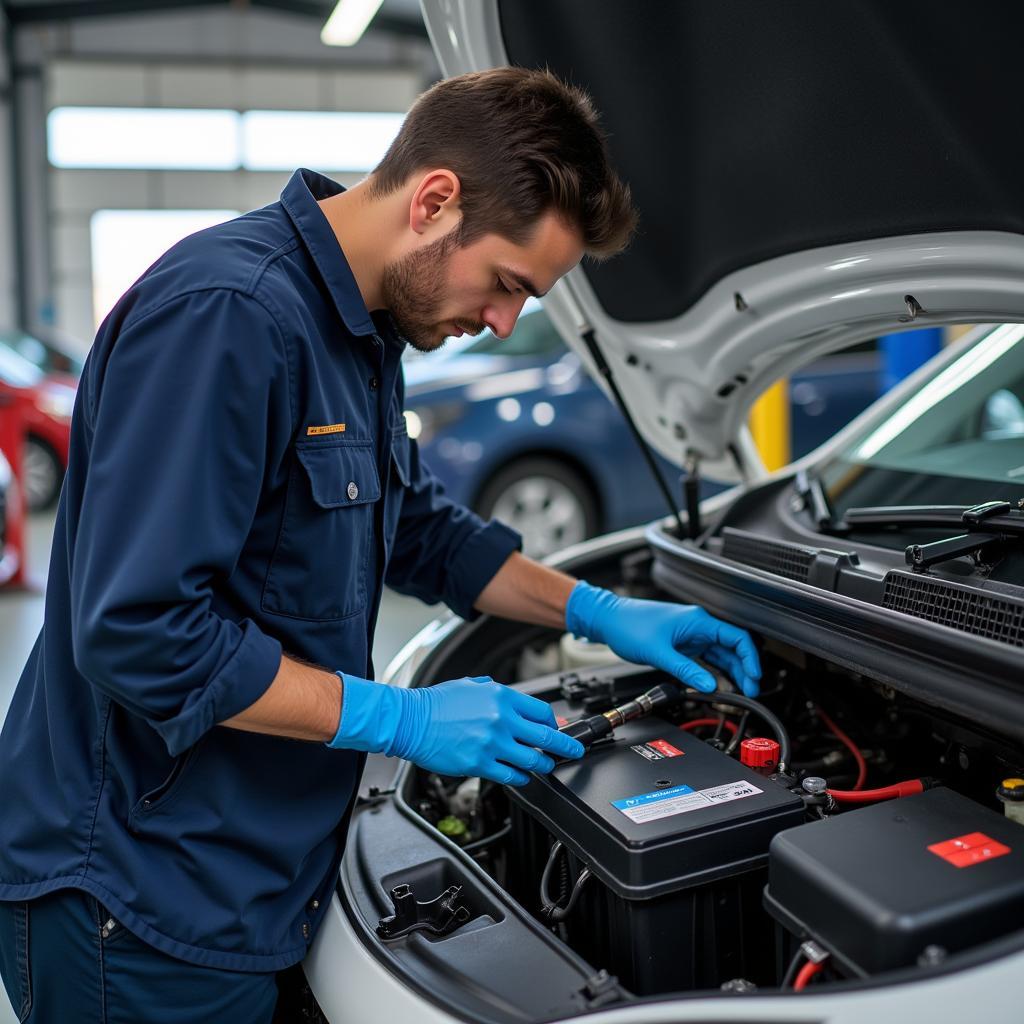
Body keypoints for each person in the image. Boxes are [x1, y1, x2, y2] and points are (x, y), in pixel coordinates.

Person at [0, 67, 760, 1022]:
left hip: (255, 878)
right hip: (137, 899)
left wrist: (601, 609)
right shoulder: (229, 316)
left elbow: (422, 530)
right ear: (434, 201)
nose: (501, 321)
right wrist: (402, 720)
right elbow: (140, 632)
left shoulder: (361, 333)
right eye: (507, 284)